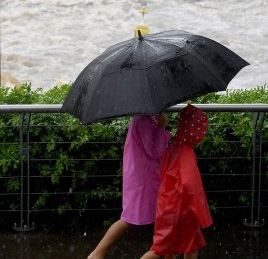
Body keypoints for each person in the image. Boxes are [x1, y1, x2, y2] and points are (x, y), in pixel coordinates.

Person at [88, 113, 171, 259]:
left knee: (158, 215)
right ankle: (97, 253)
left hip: (144, 177)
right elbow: (155, 152)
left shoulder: (144, 119)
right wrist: (162, 127)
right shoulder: (143, 121)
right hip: (143, 179)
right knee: (130, 217)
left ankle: (166, 252)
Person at [141, 104, 213, 259]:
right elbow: (192, 186)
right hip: (181, 209)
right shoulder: (186, 154)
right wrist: (203, 214)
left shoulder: (173, 147)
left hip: (168, 205)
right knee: (161, 248)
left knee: (186, 244)